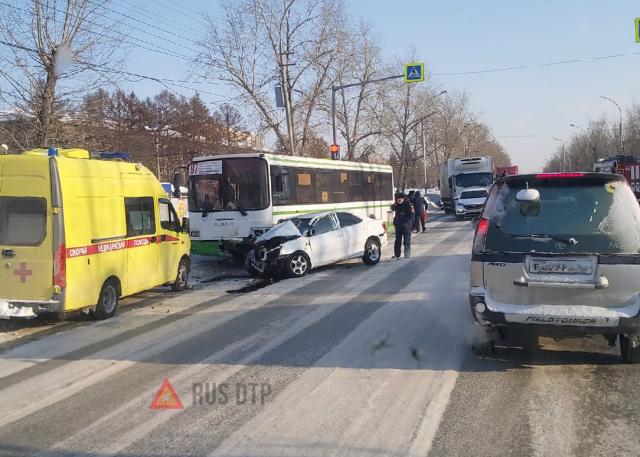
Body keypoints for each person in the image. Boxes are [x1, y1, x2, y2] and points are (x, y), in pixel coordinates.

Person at [391, 192, 414, 258]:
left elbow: (412, 216)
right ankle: (397, 255)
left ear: (403, 199)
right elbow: (392, 208)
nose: (398, 200)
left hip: (406, 226)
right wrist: (395, 204)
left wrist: (408, 223)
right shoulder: (397, 204)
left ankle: (407, 255)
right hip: (398, 226)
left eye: (400, 199)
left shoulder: (409, 205)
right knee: (397, 241)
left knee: (406, 242)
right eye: (397, 199)